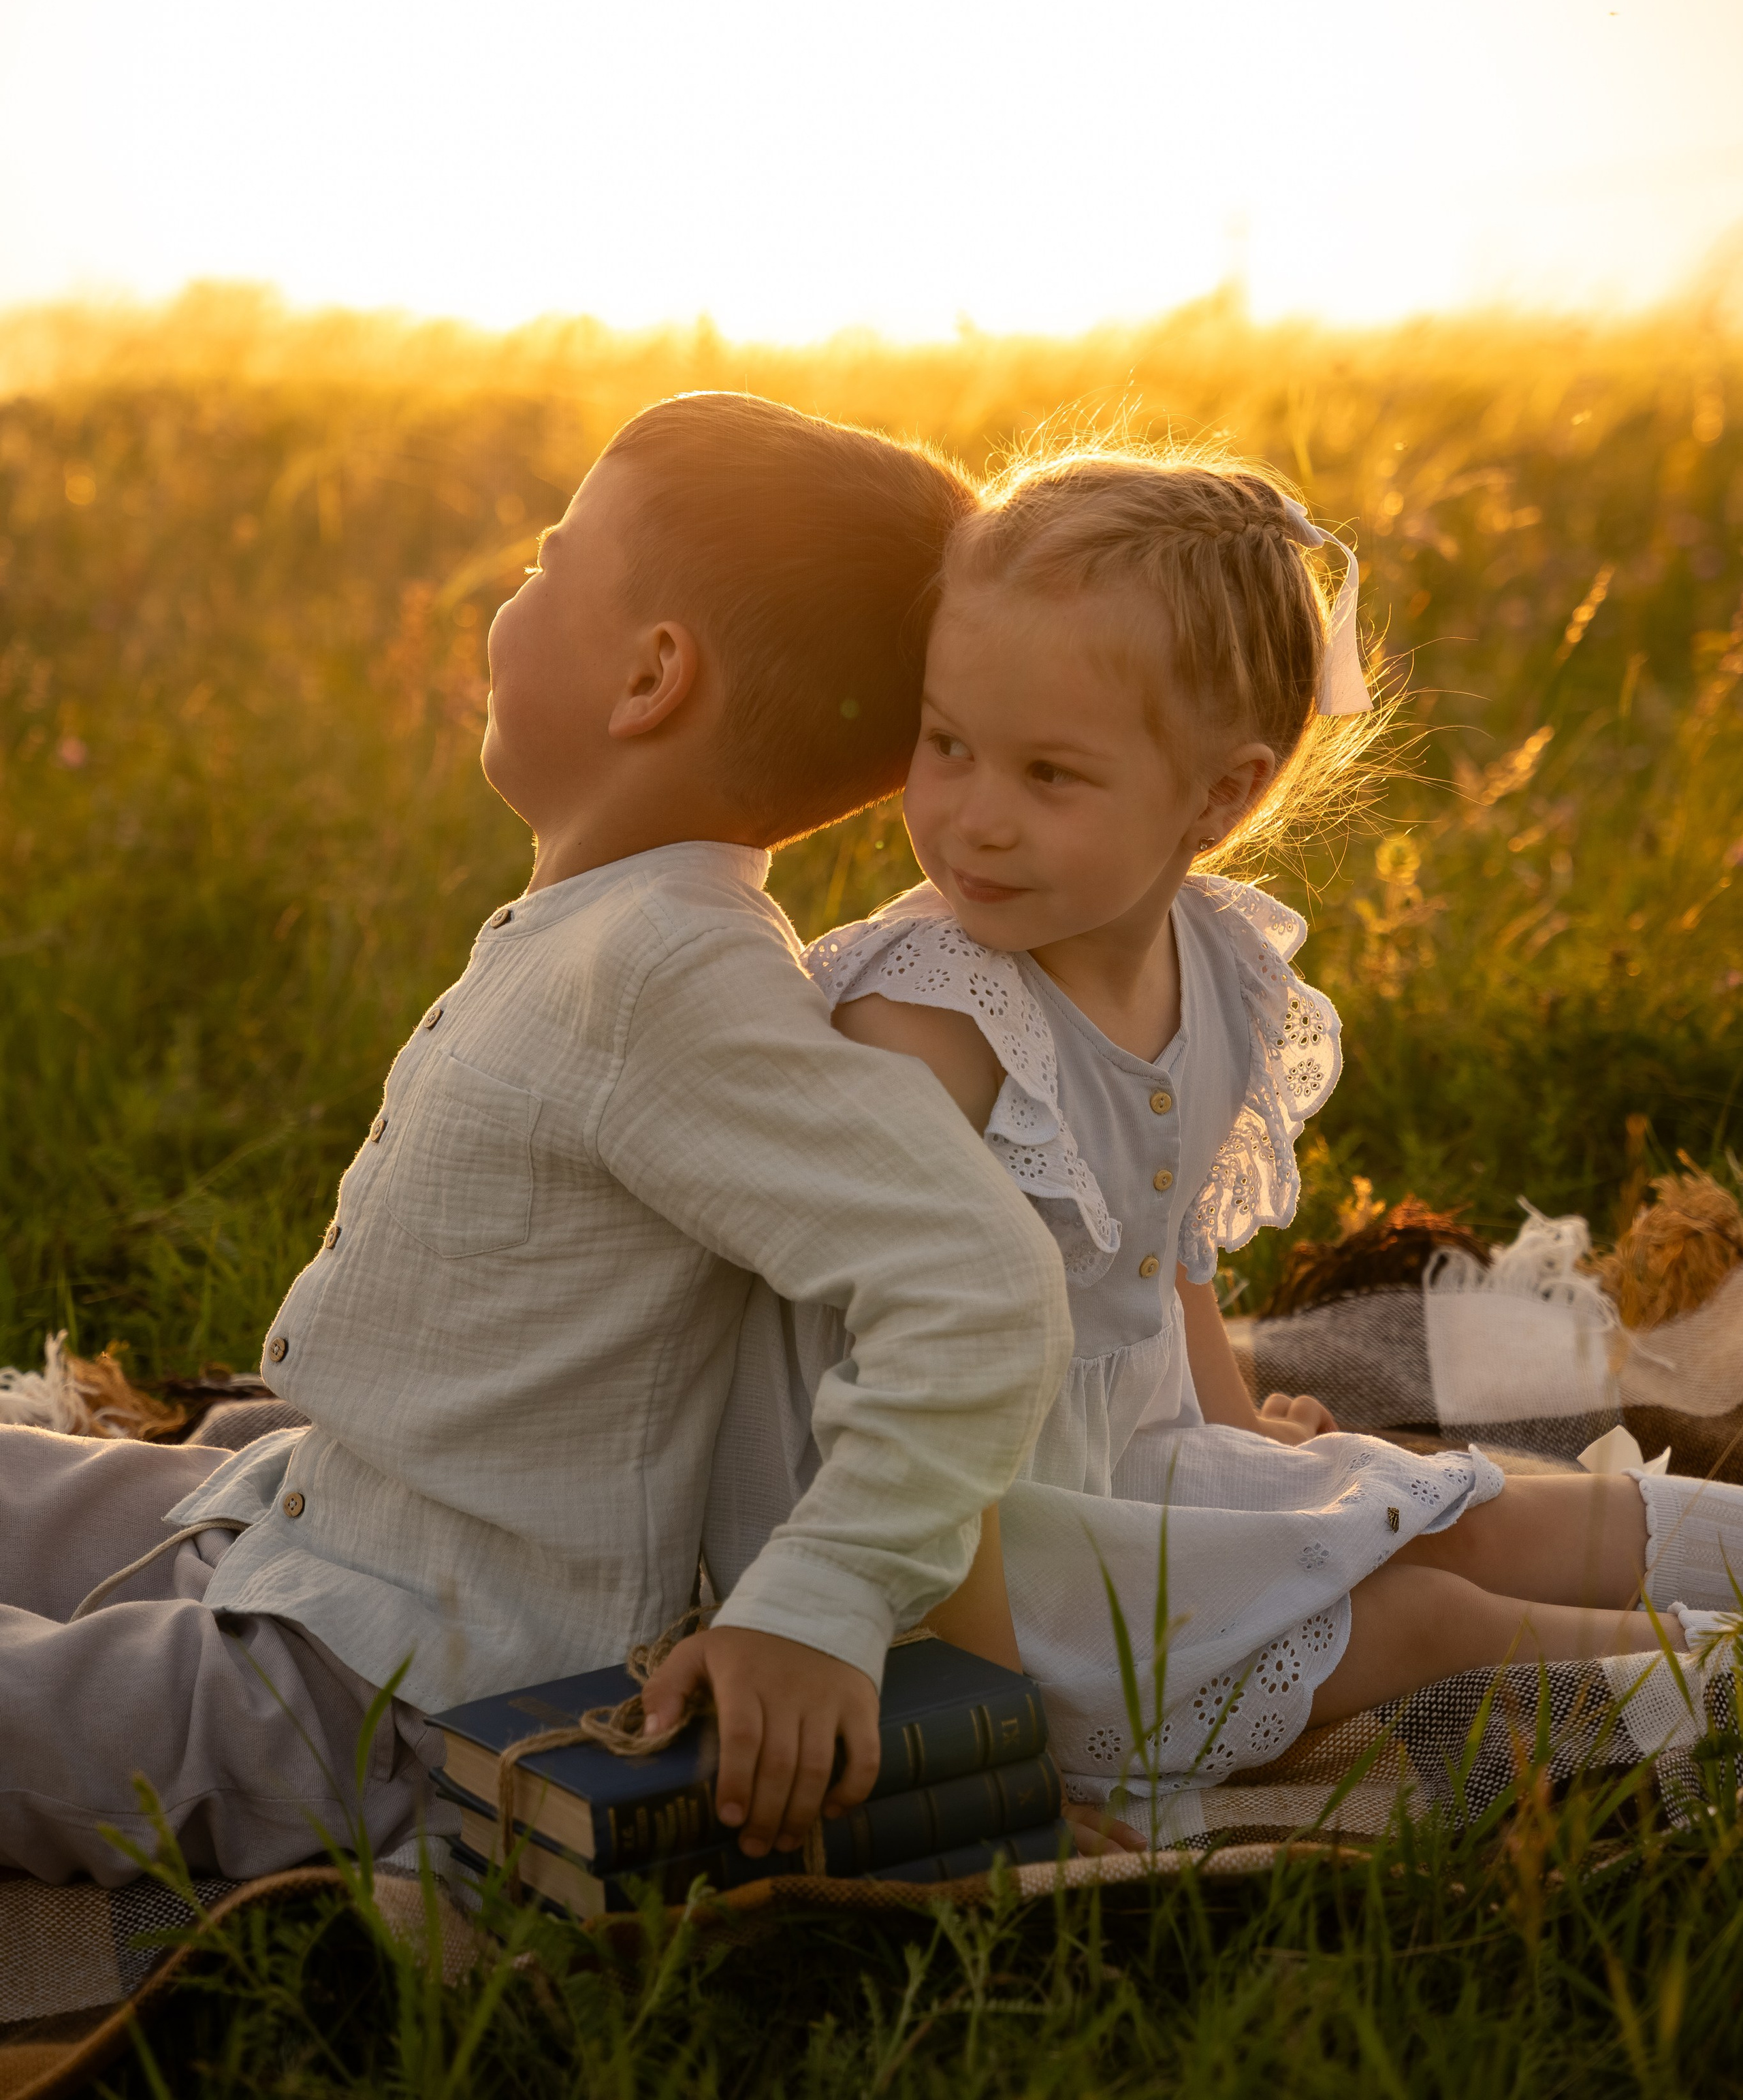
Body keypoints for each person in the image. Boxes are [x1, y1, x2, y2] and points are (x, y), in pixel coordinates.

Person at [0, 393, 1074, 1886]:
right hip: (319, 1521)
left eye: (543, 564)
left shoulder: (672, 973)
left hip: (378, 1690)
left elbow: (983, 1284)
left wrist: (818, 1598)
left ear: (650, 676)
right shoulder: (612, 927)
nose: (505, 600)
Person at [704, 439, 1743, 1823]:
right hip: (955, 1552)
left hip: (1129, 1465)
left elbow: (1165, 1243)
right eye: (946, 745)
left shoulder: (1222, 969)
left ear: (1219, 794)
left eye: (1048, 774)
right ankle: (1714, 1687)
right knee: (1422, 1613)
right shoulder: (928, 1022)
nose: (972, 819)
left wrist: (1237, 1426)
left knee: (1473, 1509)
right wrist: (981, 1689)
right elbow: (884, 1365)